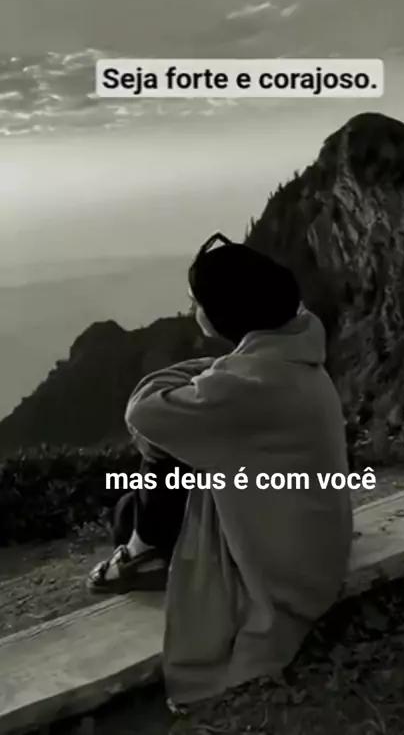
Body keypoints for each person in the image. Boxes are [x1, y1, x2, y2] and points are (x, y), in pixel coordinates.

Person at [88, 234, 353, 706]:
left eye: (196, 303)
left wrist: (203, 370)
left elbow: (143, 415)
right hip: (315, 537)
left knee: (157, 469)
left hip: (288, 569)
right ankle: (143, 545)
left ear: (222, 314)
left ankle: (139, 553)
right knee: (135, 503)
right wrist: (218, 367)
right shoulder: (294, 348)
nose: (193, 310)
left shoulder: (243, 384)